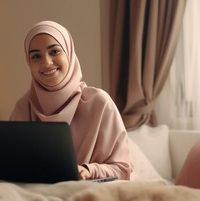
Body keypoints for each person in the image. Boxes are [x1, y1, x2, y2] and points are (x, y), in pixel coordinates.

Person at [10, 20, 133, 180]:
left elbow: (123, 170)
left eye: (54, 52)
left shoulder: (99, 103)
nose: (46, 62)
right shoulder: (24, 106)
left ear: (69, 52)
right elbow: (12, 163)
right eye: (36, 56)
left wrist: (88, 170)